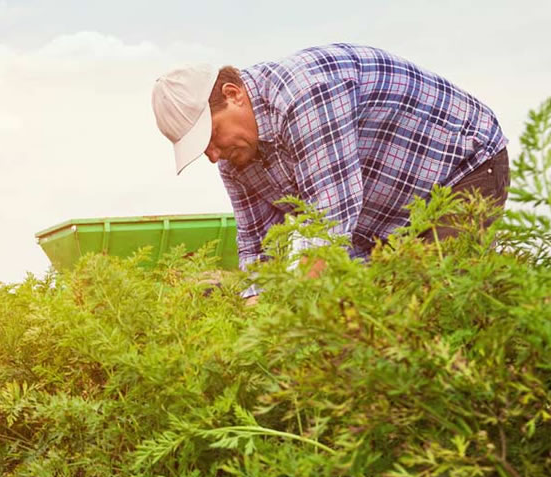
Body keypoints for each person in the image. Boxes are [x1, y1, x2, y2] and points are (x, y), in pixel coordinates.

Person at [152, 44, 509, 296]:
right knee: (375, 318)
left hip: (459, 168)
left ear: (234, 95)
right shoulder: (236, 158)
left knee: (441, 305)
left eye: (212, 136)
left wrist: (293, 316)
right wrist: (256, 310)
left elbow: (329, 227)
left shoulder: (305, 94)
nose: (214, 156)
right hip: (382, 217)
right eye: (203, 149)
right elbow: (259, 250)